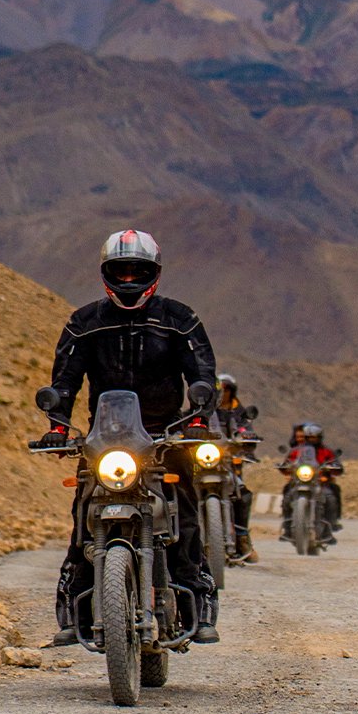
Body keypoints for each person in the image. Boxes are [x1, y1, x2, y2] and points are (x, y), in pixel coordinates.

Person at [39, 229, 220, 646]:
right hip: (106, 436)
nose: (128, 278)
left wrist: (197, 417)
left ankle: (197, 596)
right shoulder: (84, 322)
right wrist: (58, 424)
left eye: (137, 270)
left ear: (153, 272)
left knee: (185, 513)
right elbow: (64, 380)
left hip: (164, 434)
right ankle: (76, 607)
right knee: (84, 513)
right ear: (106, 273)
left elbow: (201, 374)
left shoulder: (180, 319)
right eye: (120, 271)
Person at [215, 373, 259, 564]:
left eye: (226, 389)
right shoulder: (203, 410)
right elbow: (186, 424)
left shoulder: (238, 413)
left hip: (226, 462)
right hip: (201, 463)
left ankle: (242, 537)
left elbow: (244, 429)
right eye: (219, 389)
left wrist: (245, 436)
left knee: (242, 495)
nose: (222, 393)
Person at [280, 422, 344, 544]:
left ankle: (328, 529)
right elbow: (288, 462)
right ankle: (287, 529)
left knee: (330, 497)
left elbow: (336, 465)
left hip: (320, 483)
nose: (311, 440)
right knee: (287, 496)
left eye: (314, 437)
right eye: (308, 437)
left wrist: (332, 468)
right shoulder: (297, 451)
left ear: (319, 438)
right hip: (299, 481)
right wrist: (285, 466)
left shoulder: (326, 452)